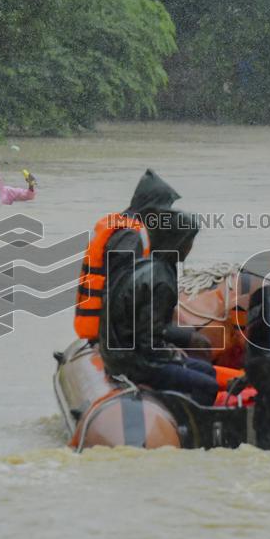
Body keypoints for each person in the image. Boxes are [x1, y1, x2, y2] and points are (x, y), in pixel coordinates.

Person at [99, 209, 221, 406]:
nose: (191, 247)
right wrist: (173, 354)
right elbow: (149, 341)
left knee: (207, 371)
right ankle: (186, 427)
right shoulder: (161, 281)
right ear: (177, 242)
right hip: (136, 364)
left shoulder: (144, 265)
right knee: (207, 385)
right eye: (189, 241)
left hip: (118, 355)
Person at [74, 169, 180, 341]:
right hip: (108, 327)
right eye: (165, 210)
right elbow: (120, 287)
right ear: (153, 209)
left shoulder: (122, 224)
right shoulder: (128, 235)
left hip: (102, 321)